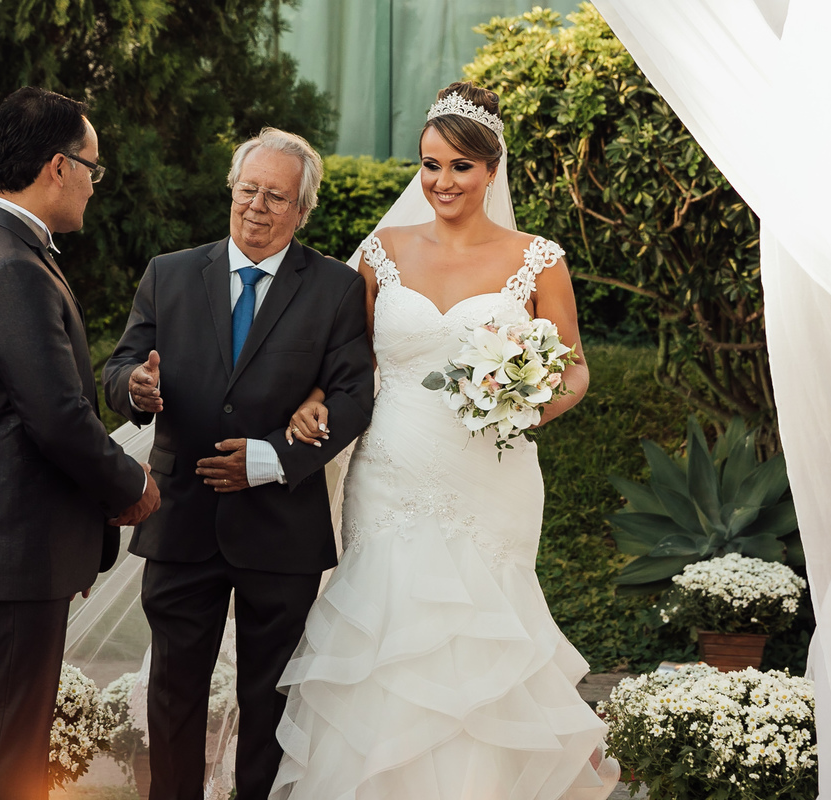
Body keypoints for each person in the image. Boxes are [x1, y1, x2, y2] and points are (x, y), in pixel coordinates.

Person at [270, 82, 621, 799]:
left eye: (460, 166)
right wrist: (310, 399)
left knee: (483, 636)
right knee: (386, 630)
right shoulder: (382, 251)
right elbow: (345, 362)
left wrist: (525, 405)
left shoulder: (538, 258)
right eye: (430, 165)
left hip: (491, 475)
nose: (442, 182)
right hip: (391, 472)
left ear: (491, 169)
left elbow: (575, 366)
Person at [103, 128, 376, 800]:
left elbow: (354, 397)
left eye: (276, 196)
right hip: (182, 523)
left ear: (302, 210)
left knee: (270, 705)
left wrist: (272, 460)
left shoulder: (336, 289)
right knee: (172, 697)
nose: (257, 206)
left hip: (282, 529)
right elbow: (116, 369)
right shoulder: (168, 274)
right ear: (232, 190)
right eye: (247, 190)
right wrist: (135, 387)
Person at [0, 87, 160, 800]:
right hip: (13, 549)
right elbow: (55, 416)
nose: (94, 182)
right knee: (3, 751)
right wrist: (131, 486)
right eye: (92, 166)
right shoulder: (13, 267)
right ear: (58, 167)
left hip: (1, 543)